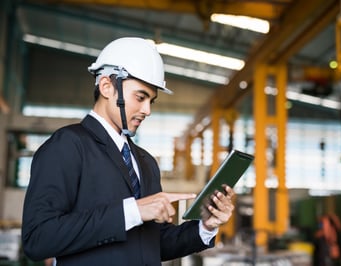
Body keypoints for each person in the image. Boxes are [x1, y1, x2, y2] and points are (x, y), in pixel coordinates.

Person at [21, 37, 235, 266]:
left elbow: (153, 244)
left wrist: (205, 227)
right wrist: (132, 211)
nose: (147, 110)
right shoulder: (67, 145)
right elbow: (38, 238)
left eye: (151, 101)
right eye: (140, 97)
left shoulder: (145, 162)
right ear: (106, 87)